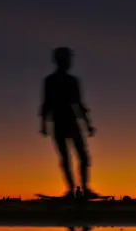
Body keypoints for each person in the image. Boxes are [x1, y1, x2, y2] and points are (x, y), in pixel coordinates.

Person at [39, 47, 98, 198]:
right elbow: (47, 104)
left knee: (82, 157)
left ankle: (83, 188)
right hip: (60, 123)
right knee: (67, 158)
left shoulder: (71, 81)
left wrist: (87, 124)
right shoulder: (50, 81)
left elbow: (78, 104)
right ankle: (73, 190)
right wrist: (43, 125)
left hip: (70, 122)